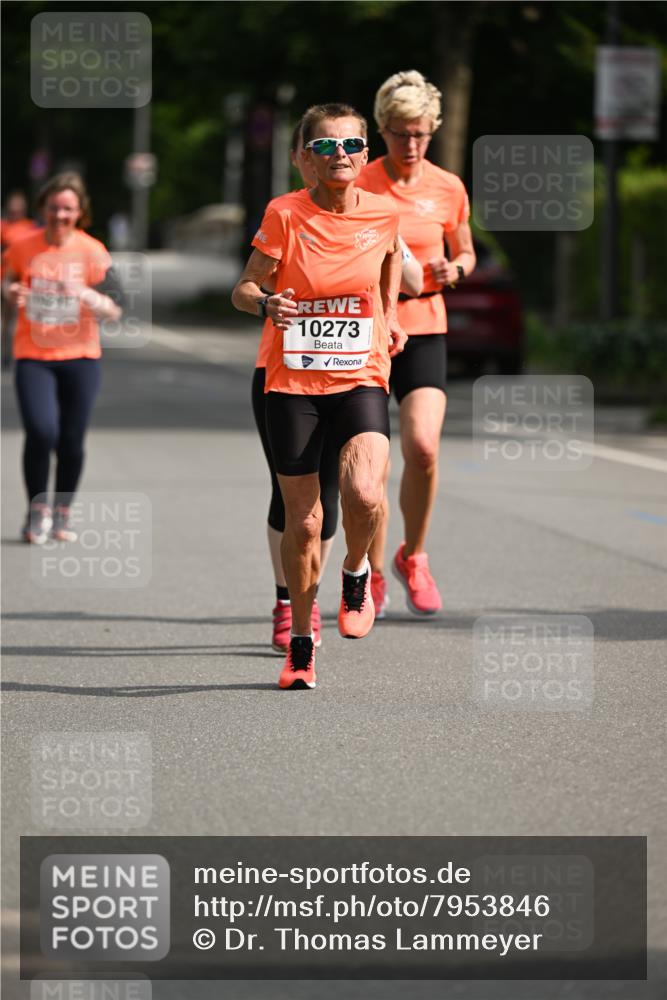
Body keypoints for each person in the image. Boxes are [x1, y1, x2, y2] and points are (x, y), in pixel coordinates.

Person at [232, 103, 407, 690]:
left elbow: (387, 273)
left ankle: (356, 571)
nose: (341, 156)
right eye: (326, 147)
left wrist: (390, 319)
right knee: (304, 523)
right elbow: (244, 286)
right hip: (292, 380)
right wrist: (265, 302)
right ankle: (301, 643)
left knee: (363, 492)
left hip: (360, 372)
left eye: (352, 145)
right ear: (305, 156)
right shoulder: (285, 213)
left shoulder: (384, 214)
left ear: (365, 153)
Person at [357, 70, 476, 617]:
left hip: (426, 324)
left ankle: (415, 555)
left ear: (433, 132)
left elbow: (467, 251)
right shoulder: (360, 183)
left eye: (421, 134)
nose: (411, 145)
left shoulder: (448, 186)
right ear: (383, 130)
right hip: (369, 329)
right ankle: (373, 572)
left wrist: (455, 268)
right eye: (402, 133)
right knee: (371, 463)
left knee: (423, 448)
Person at [1, 172, 122, 543]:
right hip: (32, 354)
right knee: (41, 431)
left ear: (79, 212)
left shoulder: (92, 251)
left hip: (80, 356)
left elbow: (115, 310)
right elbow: (7, 282)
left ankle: (62, 512)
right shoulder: (23, 246)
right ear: (43, 209)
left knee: (71, 439)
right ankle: (37, 510)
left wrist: (83, 294)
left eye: (68, 208)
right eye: (54, 207)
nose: (60, 215)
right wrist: (12, 292)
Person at [1, 191, 38, 368]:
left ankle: (16, 353)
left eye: (18, 208)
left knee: (17, 319)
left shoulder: (30, 227)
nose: (15, 211)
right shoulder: (2, 226)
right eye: (12, 207)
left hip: (20, 279)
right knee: (5, 320)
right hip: (3, 276)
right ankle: (6, 353)